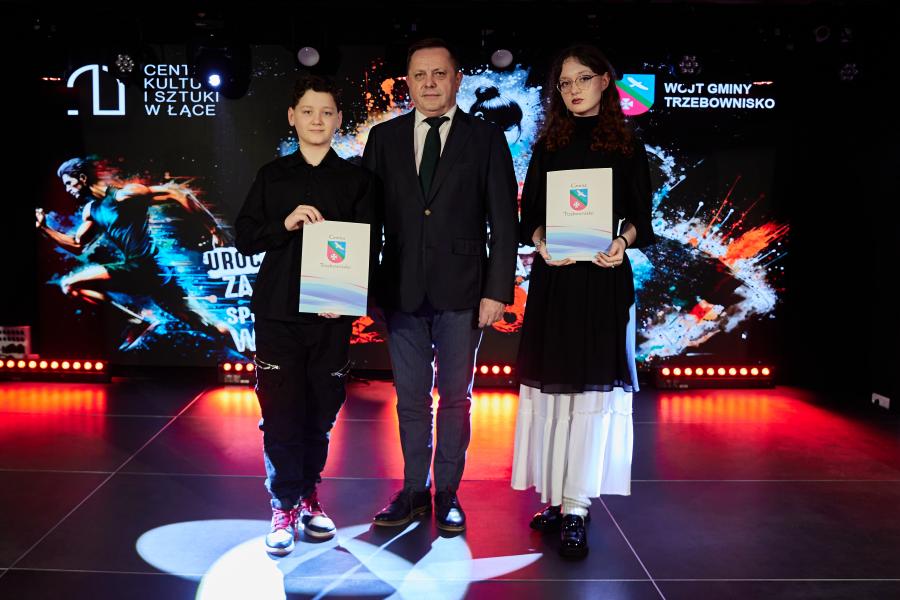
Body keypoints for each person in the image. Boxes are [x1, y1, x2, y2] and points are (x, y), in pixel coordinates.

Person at [362, 38, 518, 532]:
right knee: (410, 399)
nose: (429, 84)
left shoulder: (486, 138)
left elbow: (504, 221)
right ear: (407, 82)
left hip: (465, 291)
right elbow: (365, 221)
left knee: (455, 398)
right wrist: (358, 289)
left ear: (457, 79)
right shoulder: (383, 139)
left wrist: (497, 290)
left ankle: (447, 491)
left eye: (439, 74)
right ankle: (413, 490)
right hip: (400, 291)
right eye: (419, 75)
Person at [510, 44, 656, 560]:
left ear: (605, 81)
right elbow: (529, 216)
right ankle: (555, 497)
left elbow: (641, 219)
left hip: (602, 281)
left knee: (590, 395)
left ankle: (577, 506)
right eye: (565, 83)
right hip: (556, 281)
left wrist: (622, 242)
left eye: (583, 79)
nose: (573, 89)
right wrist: (541, 239)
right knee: (553, 392)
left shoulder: (627, 146)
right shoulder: (548, 144)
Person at [234, 75, 378, 555]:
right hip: (277, 314)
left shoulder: (358, 181)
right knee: (280, 414)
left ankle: (309, 496)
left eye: (327, 112)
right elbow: (245, 237)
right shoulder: (272, 176)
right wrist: (285, 222)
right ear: (292, 117)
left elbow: (369, 246)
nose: (317, 120)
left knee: (320, 413)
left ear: (338, 120)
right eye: (308, 111)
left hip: (331, 315)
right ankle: (283, 504)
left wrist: (350, 289)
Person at [37, 157, 230, 350]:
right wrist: (44, 228)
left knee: (70, 284)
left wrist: (214, 229)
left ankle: (135, 320)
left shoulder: (123, 195)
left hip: (145, 265)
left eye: (69, 183)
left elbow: (177, 193)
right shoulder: (91, 210)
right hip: (150, 272)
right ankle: (241, 347)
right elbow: (77, 244)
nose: (67, 189)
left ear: (82, 178)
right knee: (207, 326)